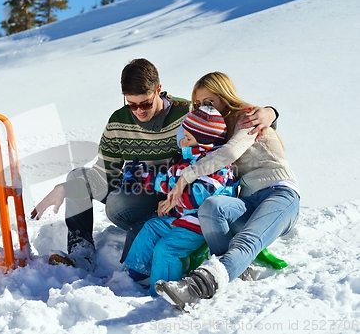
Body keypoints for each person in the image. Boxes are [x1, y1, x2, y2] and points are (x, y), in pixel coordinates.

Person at [30, 59, 277, 271]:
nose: (138, 110)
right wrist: (66, 188)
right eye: (131, 104)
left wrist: (270, 113)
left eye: (145, 103)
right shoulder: (119, 122)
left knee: (118, 204)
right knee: (77, 177)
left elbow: (228, 124)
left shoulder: (188, 113)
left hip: (179, 195)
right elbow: (104, 173)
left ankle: (162, 233)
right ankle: (80, 254)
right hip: (142, 186)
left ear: (159, 90)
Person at [154, 72, 300, 312]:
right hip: (248, 199)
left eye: (210, 101)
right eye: (199, 104)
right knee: (212, 206)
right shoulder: (216, 129)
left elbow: (229, 154)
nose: (204, 108)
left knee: (246, 240)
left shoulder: (247, 117)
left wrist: (185, 178)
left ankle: (195, 288)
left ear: (225, 96)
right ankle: (236, 270)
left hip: (280, 194)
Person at [122, 103, 237, 296]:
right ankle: (136, 272)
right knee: (150, 227)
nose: (182, 142)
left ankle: (163, 291)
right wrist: (142, 177)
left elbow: (200, 195)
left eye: (188, 138)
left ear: (204, 142)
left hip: (199, 224)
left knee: (166, 249)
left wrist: (173, 201)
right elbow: (167, 182)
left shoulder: (217, 166)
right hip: (181, 220)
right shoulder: (184, 162)